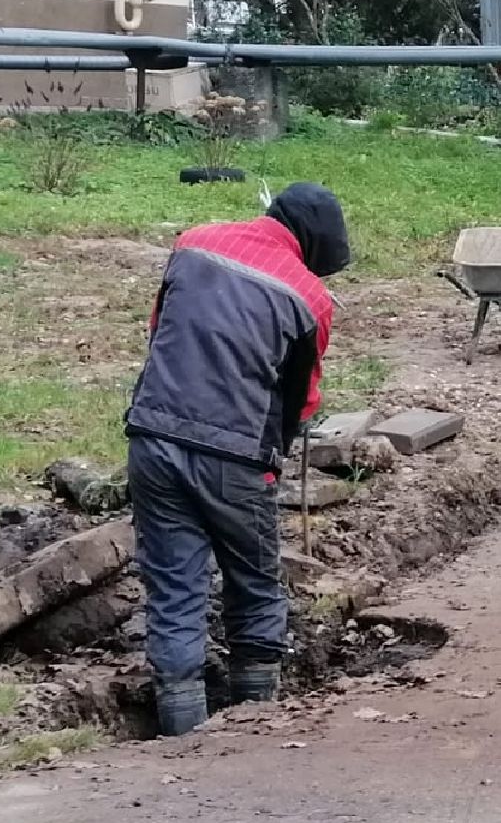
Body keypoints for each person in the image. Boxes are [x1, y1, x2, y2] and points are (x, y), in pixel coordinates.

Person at [125, 183, 350, 736]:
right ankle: (252, 732)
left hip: (153, 440)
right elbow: (301, 400)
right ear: (315, 245)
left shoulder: (193, 244)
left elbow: (160, 332)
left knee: (175, 589)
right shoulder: (309, 298)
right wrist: (274, 459)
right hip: (236, 459)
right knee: (253, 584)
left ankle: (181, 738)